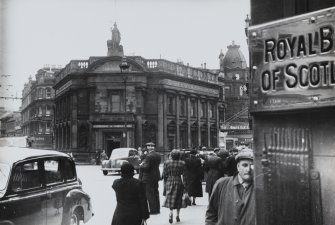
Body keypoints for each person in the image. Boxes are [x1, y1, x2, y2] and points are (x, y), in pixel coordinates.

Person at [205, 148, 255, 225]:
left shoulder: (261, 188)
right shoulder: (221, 184)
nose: (248, 169)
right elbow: (211, 214)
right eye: (244, 165)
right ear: (238, 167)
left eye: (252, 166)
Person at [162, 149, 185, 224]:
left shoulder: (166, 162)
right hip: (178, 180)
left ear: (171, 155)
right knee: (178, 198)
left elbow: (164, 174)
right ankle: (178, 215)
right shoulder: (182, 163)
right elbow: (183, 174)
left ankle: (170, 213)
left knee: (170, 197)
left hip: (169, 180)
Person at [139, 142, 161, 214]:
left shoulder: (148, 156)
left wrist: (141, 165)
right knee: (156, 193)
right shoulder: (158, 155)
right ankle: (157, 209)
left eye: (148, 146)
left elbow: (147, 168)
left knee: (149, 194)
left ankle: (153, 210)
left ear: (148, 147)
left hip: (148, 177)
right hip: (156, 176)